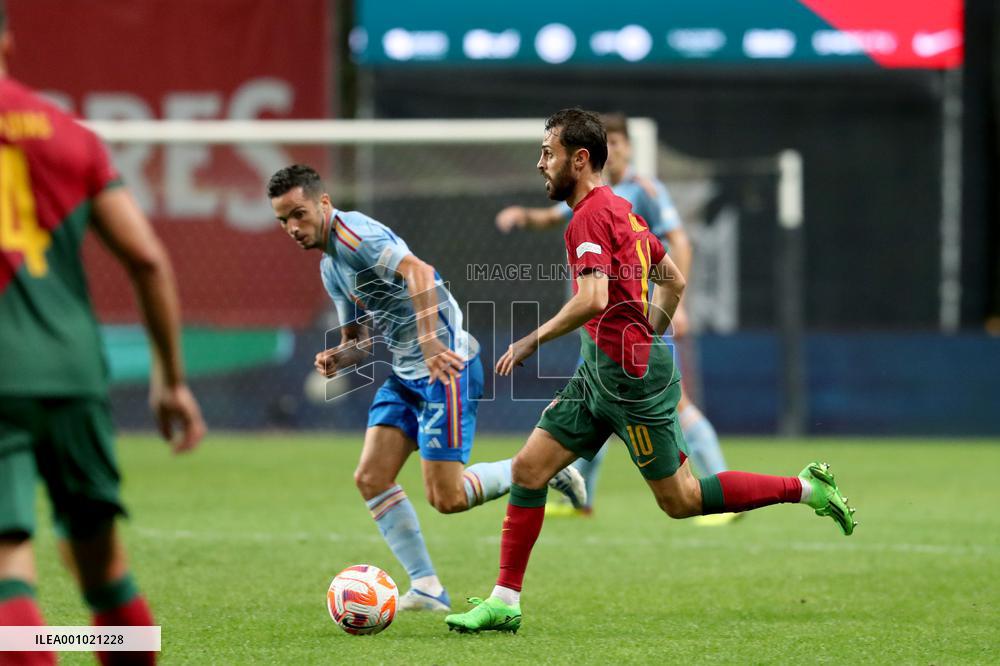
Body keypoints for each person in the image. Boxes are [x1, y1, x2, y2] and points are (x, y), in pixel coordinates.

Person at [445, 108, 856, 634]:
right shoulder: (620, 209)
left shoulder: (590, 217)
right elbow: (674, 278)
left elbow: (593, 298)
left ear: (580, 158)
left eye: (548, 153)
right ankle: (505, 601)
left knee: (682, 500)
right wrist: (645, 329)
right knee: (529, 471)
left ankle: (805, 487)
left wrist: (532, 339)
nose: (540, 163)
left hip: (632, 384)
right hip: (602, 372)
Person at [266, 165, 585, 612]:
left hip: (446, 366)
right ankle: (428, 588)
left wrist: (432, 342)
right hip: (405, 374)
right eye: (283, 220)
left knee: (447, 498)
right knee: (371, 478)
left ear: (323, 203)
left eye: (298, 214)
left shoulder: (356, 237)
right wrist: (339, 357)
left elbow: (420, 271)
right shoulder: (330, 266)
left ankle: (535, 470)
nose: (292, 228)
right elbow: (358, 341)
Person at [0, 5, 206, 665]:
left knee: (9, 561)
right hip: (73, 373)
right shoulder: (68, 134)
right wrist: (170, 380)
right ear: (6, 38)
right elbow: (147, 259)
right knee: (101, 566)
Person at [496, 113, 735, 525]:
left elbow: (676, 243)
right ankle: (579, 499)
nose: (542, 162)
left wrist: (671, 310)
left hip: (630, 320)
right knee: (594, 406)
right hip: (603, 329)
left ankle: (721, 484)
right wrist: (523, 215)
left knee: (678, 411)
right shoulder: (596, 199)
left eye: (623, 142)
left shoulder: (639, 191)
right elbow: (557, 218)